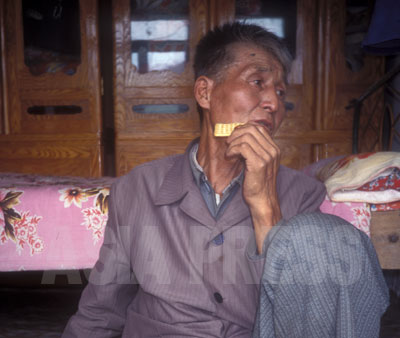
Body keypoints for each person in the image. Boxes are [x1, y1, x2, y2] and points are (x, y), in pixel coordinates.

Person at [63, 22, 389, 338]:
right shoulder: (137, 188)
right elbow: (102, 311)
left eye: (279, 91)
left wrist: (265, 206)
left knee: (326, 237)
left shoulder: (301, 194)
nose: (274, 104)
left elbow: (302, 316)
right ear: (205, 93)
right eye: (257, 82)